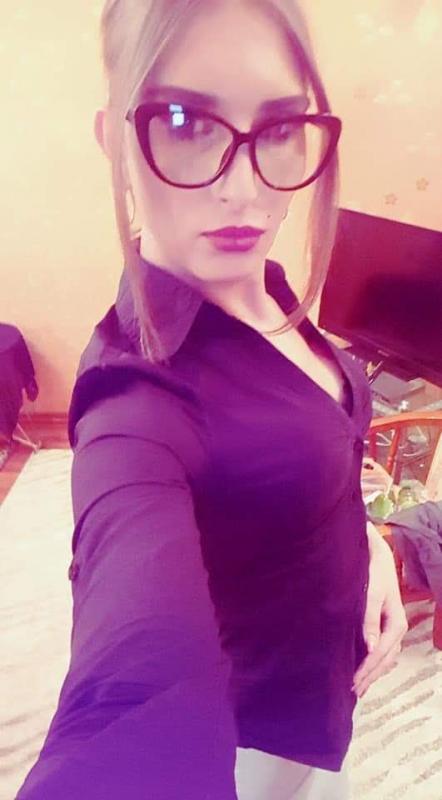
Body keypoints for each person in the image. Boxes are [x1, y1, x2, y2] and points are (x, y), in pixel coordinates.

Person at [16, 1, 408, 798]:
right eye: (184, 121)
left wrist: (371, 546)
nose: (245, 189)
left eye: (280, 127)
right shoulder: (135, 405)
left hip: (323, 698)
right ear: (115, 140)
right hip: (251, 743)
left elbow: (318, 455)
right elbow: (129, 689)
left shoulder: (265, 287)